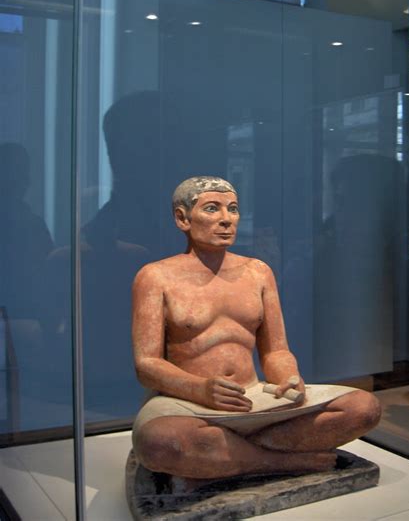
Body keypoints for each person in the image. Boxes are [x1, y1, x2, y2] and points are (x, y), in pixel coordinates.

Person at [132, 176, 381, 480]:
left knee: (363, 408)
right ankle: (281, 461)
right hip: (188, 404)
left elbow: (276, 350)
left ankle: (232, 454)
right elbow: (147, 365)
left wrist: (287, 377)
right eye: (212, 209)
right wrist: (199, 389)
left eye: (233, 209)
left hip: (253, 397)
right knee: (161, 443)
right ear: (182, 218)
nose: (226, 220)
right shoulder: (156, 277)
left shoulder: (257, 271)